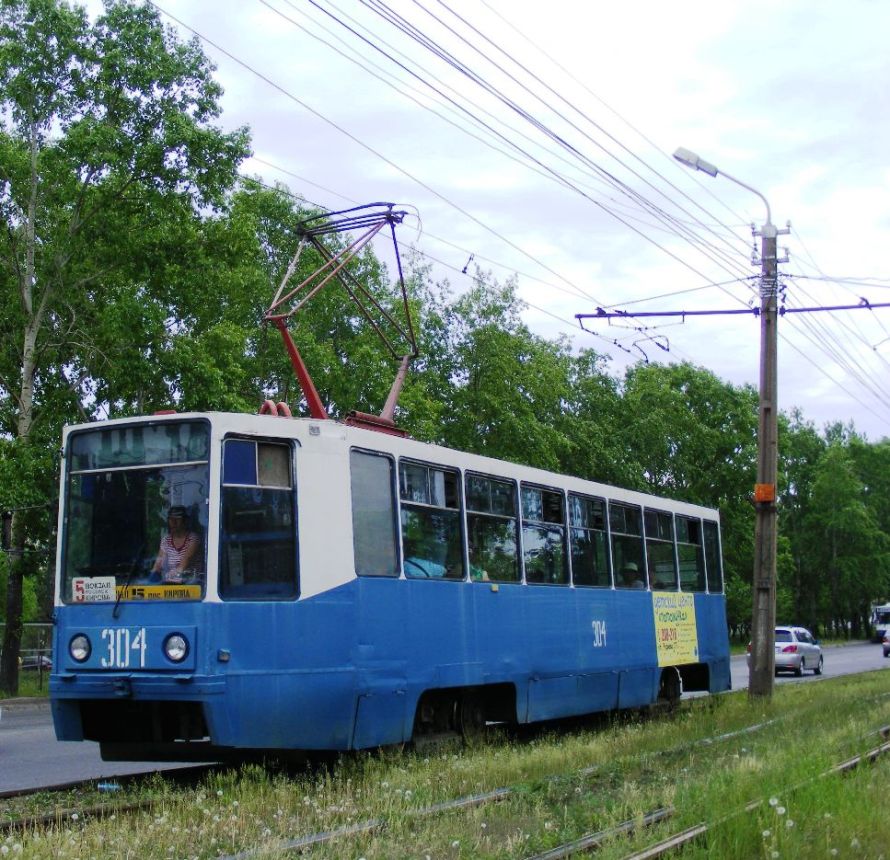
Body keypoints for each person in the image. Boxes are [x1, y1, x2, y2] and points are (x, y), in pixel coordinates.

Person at [152, 506, 200, 584]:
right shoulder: (166, 540)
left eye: (177, 519)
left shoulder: (193, 539)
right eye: (171, 519)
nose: (173, 522)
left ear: (185, 521)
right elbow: (158, 564)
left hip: (192, 586)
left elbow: (183, 565)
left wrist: (167, 578)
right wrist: (151, 579)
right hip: (173, 585)